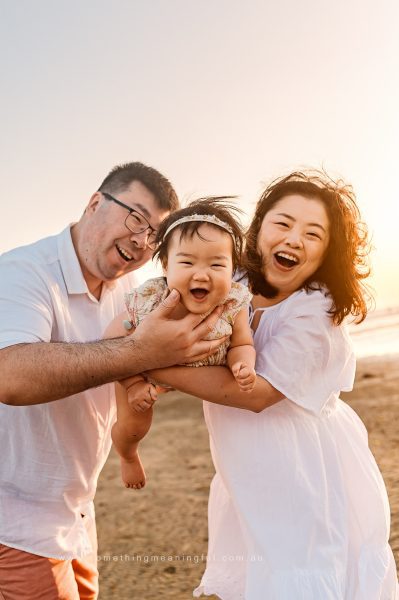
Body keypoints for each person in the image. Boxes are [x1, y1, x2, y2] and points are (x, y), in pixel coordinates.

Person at [143, 171, 399, 599]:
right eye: (283, 223)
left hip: (303, 470)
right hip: (245, 467)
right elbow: (188, 335)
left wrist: (151, 364)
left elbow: (258, 394)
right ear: (258, 229)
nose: (294, 239)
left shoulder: (318, 314)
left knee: (302, 574)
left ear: (326, 253)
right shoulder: (232, 284)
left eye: (313, 233)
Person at [0, 162, 227, 600]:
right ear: (95, 203)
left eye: (155, 235)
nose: (142, 241)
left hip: (76, 509)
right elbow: (9, 373)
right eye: (136, 217)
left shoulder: (133, 291)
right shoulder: (22, 273)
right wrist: (141, 352)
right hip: (15, 515)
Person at [105, 198, 256, 490]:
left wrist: (243, 364)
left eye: (217, 263)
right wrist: (134, 383)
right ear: (165, 265)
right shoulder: (152, 302)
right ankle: (127, 453)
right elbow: (112, 341)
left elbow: (242, 344)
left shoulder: (233, 303)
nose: (202, 274)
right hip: (141, 372)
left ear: (232, 268)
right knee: (135, 427)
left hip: (198, 375)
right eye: (187, 262)